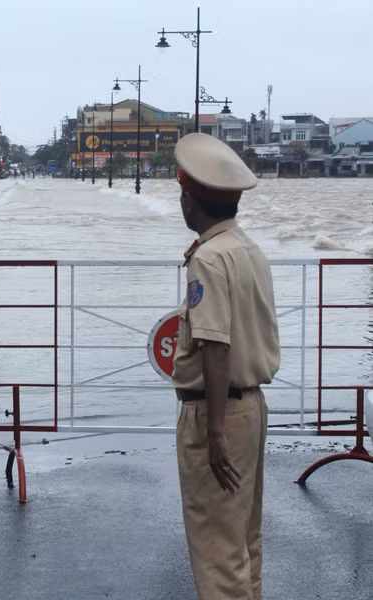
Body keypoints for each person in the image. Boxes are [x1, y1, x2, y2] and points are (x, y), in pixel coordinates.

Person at [171, 133, 280, 600]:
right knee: (242, 543)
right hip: (251, 408)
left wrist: (213, 433)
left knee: (217, 553)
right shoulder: (246, 249)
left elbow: (215, 347)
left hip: (217, 413)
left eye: (183, 195)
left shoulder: (209, 259)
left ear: (191, 200)